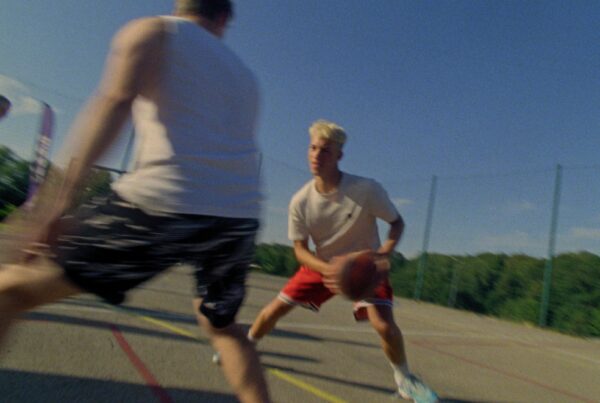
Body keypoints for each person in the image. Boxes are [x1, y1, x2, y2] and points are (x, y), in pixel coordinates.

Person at [0, 1, 270, 402]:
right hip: (239, 216)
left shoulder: (154, 31)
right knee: (224, 329)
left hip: (165, 202)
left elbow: (115, 101)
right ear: (224, 18)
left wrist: (54, 203)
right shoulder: (246, 77)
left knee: (10, 290)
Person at [232, 120, 438, 402]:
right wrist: (328, 269)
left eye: (325, 150)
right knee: (274, 309)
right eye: (313, 148)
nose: (316, 155)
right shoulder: (300, 201)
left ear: (339, 155)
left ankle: (404, 380)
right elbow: (300, 250)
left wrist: (383, 253)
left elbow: (397, 223)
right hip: (323, 265)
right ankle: (246, 349)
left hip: (365, 267)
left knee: (385, 326)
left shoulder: (366, 189)